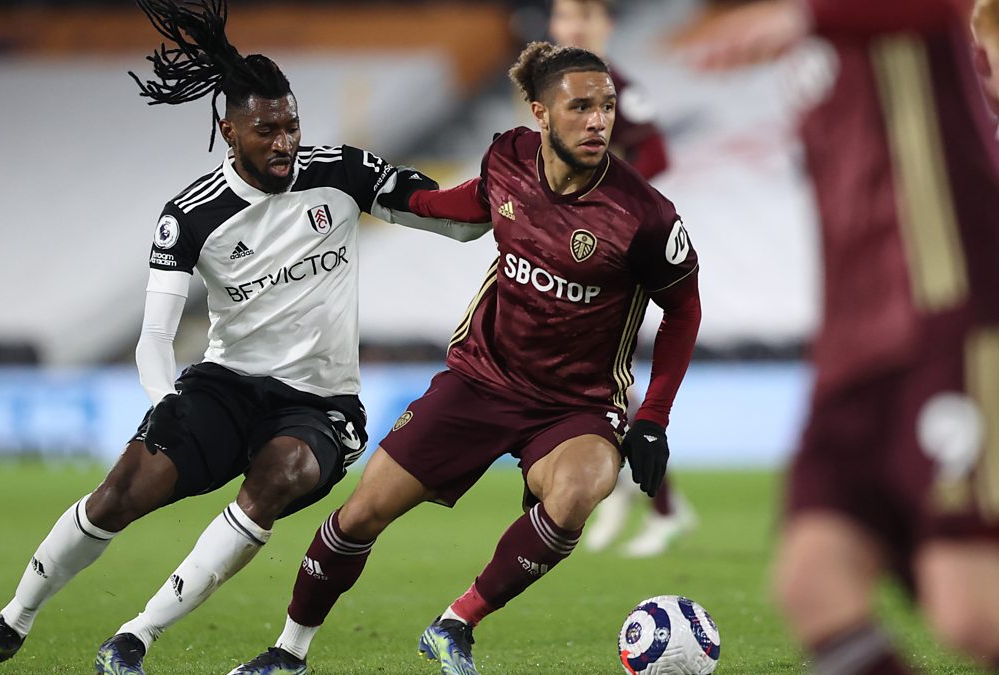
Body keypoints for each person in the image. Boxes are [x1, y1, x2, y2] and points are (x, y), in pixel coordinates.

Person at [0, 1, 489, 673]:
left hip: (319, 403)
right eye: (266, 130)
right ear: (230, 130)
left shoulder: (341, 172)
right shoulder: (193, 215)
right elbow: (154, 336)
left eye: (292, 125)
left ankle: (135, 636)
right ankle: (10, 620)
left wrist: (511, 194)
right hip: (225, 386)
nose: (284, 143)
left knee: (279, 475)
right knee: (122, 491)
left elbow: (455, 222)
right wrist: (163, 397)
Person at [230, 41, 702, 675]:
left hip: (577, 404)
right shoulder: (508, 157)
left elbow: (684, 312)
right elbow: (466, 204)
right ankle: (288, 652)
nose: (598, 121)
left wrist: (652, 420)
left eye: (608, 107)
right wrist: (387, 196)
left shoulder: (644, 217)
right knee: (361, 513)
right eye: (580, 107)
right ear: (540, 112)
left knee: (582, 488)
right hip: (481, 379)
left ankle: (456, 623)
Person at [679, 0, 999, 672]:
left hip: (943, 319)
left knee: (970, 610)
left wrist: (808, 16)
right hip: (852, 351)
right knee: (814, 587)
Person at [548, 0, 698, 558]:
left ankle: (657, 503)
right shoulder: (557, 87)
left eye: (582, 17)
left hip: (608, 247)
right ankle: (630, 493)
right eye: (563, 17)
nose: (572, 27)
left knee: (603, 377)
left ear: (605, 27)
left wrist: (612, 193)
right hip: (566, 242)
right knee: (594, 377)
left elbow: (656, 152)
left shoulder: (618, 88)